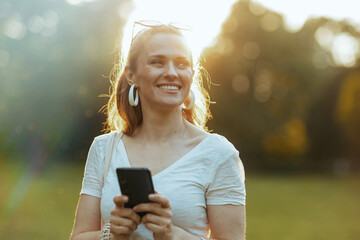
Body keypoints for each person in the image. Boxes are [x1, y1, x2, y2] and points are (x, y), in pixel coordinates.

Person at [70, 20, 246, 240]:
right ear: (131, 75)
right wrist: (111, 235)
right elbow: (79, 236)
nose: (172, 73)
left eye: (182, 64)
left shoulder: (218, 154)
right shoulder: (104, 148)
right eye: (157, 62)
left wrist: (171, 234)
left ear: (192, 74)